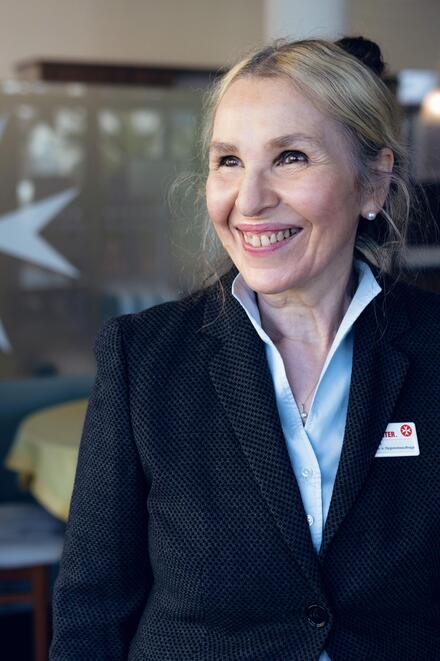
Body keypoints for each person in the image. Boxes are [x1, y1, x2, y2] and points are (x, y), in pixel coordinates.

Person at [49, 37, 440, 661]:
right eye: (228, 160)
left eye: (290, 157)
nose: (249, 200)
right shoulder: (141, 357)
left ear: (373, 183)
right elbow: (92, 612)